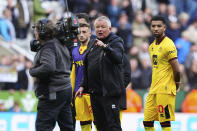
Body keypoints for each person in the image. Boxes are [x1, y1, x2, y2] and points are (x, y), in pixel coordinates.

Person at [76, 16, 124, 131]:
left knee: (113, 126)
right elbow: (88, 66)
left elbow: (118, 58)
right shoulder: (93, 43)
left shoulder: (116, 41)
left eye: (103, 27)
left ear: (110, 28)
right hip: (95, 93)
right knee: (100, 125)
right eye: (97, 27)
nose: (100, 29)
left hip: (109, 93)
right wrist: (83, 85)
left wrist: (106, 47)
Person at [29, 19, 74, 131]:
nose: (35, 32)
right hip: (65, 90)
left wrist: (32, 71)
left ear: (43, 32)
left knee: (43, 127)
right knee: (67, 127)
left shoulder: (48, 47)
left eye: (36, 30)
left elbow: (48, 67)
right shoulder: (60, 44)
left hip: (53, 92)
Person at [143, 15, 180, 131]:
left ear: (164, 27)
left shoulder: (168, 45)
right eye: (153, 26)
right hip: (154, 89)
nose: (156, 28)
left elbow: (176, 68)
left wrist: (177, 82)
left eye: (159, 26)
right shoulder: (151, 46)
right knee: (147, 122)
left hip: (165, 89)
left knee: (164, 122)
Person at [71, 16, 95, 131]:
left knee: (98, 122)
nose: (81, 35)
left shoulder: (94, 48)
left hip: (92, 92)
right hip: (78, 93)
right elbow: (73, 73)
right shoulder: (74, 51)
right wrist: (72, 91)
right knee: (83, 123)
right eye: (79, 32)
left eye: (84, 32)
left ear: (90, 33)